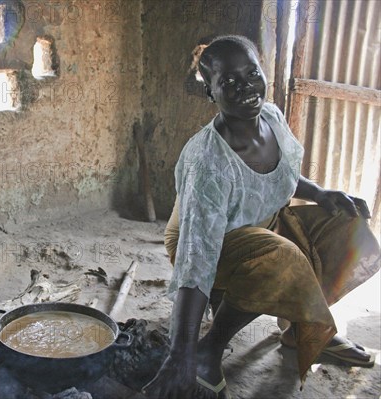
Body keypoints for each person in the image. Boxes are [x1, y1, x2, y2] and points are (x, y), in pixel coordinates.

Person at [142, 35, 380, 399]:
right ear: (211, 93)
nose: (246, 88)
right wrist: (180, 354)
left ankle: (298, 327)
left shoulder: (271, 115)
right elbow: (196, 259)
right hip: (206, 240)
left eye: (252, 74)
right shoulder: (207, 162)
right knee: (282, 259)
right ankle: (210, 348)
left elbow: (279, 175)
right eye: (229, 82)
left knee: (347, 226)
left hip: (262, 223)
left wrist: (319, 193)